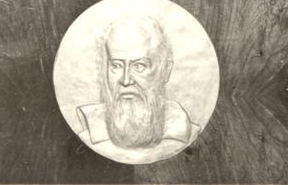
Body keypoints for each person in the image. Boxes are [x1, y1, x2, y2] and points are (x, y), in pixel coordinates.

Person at [74, 16, 197, 164]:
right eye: (116, 66)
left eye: (139, 66)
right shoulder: (84, 141)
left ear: (165, 70)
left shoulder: (190, 139)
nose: (126, 81)